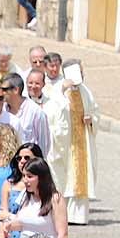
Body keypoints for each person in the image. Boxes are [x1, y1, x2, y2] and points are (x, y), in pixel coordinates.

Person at [40, 52, 99, 224]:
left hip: (81, 140)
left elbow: (95, 110)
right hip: (63, 141)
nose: (83, 74)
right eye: (80, 71)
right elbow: (52, 110)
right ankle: (61, 213)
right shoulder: (57, 88)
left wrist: (91, 119)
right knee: (63, 176)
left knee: (80, 175)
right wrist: (62, 90)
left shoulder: (85, 90)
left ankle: (78, 216)